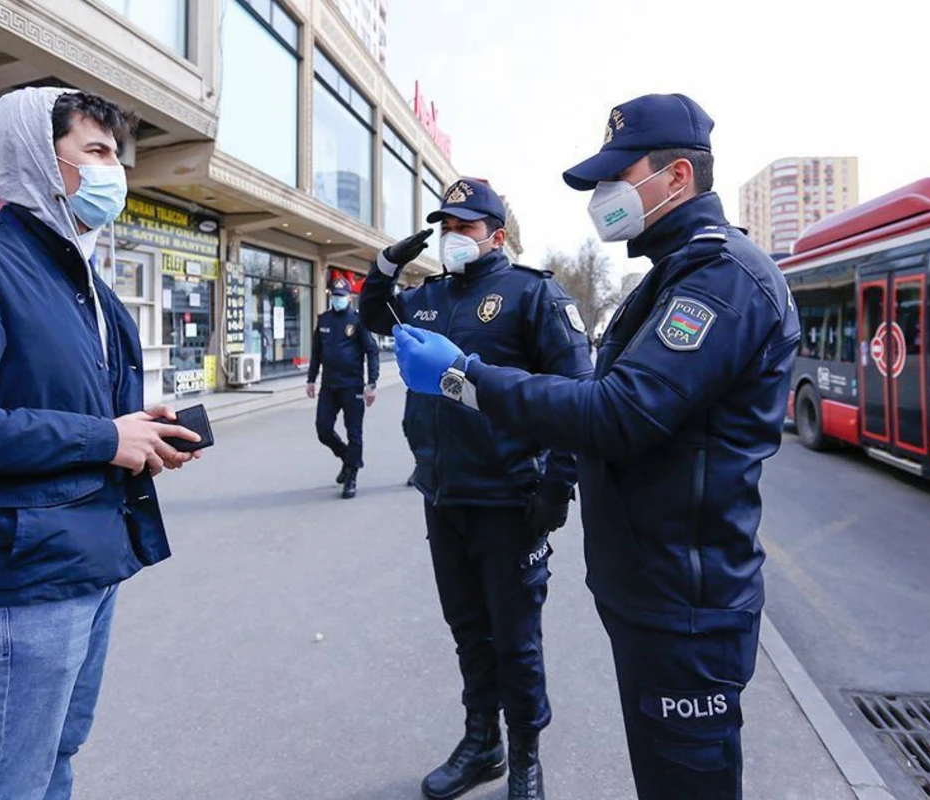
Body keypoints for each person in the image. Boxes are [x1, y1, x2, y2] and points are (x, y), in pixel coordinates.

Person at [392, 95, 801, 800]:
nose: (604, 195)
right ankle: (485, 743)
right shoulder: (671, 276)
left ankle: (522, 759)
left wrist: (466, 380)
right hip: (649, 589)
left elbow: (615, 411)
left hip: (687, 605)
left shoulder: (722, 276)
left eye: (618, 175)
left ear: (676, 177)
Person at [0, 87, 201, 800]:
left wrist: (141, 432)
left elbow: (73, 415)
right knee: (4, 784)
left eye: (116, 156)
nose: (114, 171)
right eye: (97, 151)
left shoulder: (86, 284)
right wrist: (101, 437)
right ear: (38, 158)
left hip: (90, 562)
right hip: (19, 581)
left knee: (55, 758)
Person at [361, 178, 594, 800]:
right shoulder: (429, 295)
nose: (450, 237)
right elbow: (370, 315)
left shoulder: (531, 295)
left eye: (464, 226)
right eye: (445, 226)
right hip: (444, 493)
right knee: (468, 629)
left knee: (515, 641)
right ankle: (481, 742)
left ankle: (525, 758)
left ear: (497, 234)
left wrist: (559, 485)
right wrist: (387, 263)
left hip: (510, 499)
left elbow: (577, 396)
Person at [306, 277, 380, 499]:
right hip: (329, 386)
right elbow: (316, 353)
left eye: (342, 296)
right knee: (323, 430)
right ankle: (349, 458)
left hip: (352, 386)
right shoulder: (324, 320)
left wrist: (372, 383)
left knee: (354, 432)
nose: (338, 299)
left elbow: (372, 351)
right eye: (335, 296)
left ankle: (351, 478)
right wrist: (311, 380)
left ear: (349, 297)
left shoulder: (358, 320)